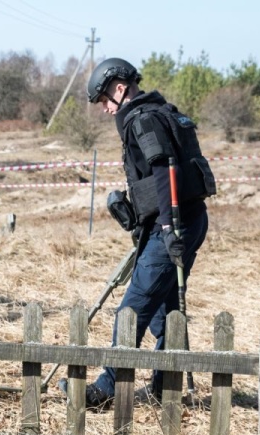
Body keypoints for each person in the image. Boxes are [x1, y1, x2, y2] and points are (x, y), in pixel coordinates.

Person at [62, 58, 214, 406]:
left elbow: (164, 169)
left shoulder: (142, 119)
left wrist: (167, 225)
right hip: (185, 220)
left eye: (104, 100)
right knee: (166, 310)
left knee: (132, 309)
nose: (104, 109)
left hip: (174, 225)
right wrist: (140, 216)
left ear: (120, 89)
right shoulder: (157, 112)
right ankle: (165, 387)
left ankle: (106, 390)